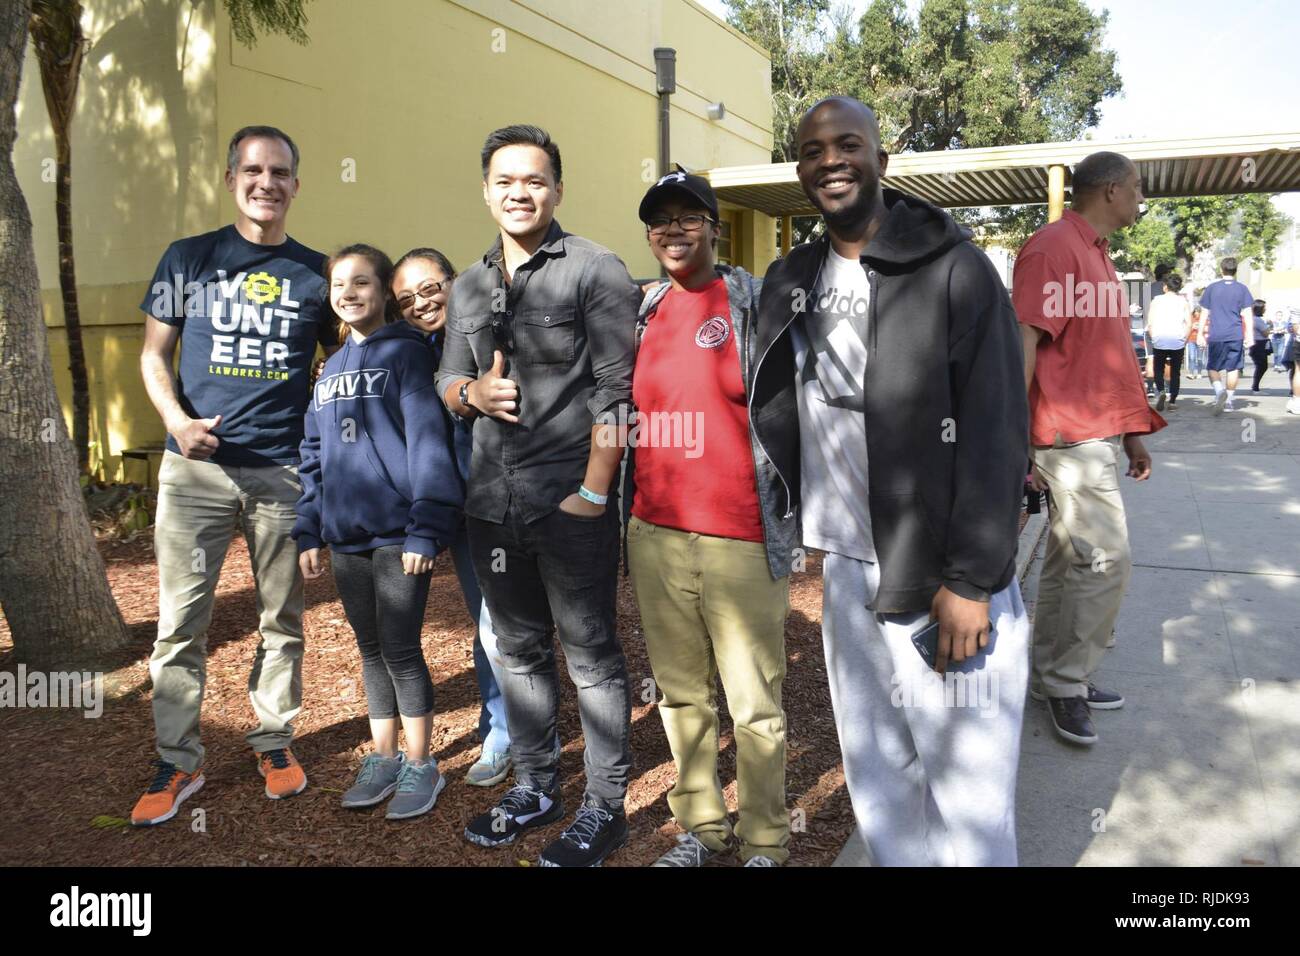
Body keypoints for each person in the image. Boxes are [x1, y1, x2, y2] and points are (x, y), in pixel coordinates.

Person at [753, 97, 1030, 866]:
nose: (830, 161)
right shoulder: (793, 277)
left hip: (943, 570)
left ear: (882, 158)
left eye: (848, 145)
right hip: (846, 567)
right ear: (800, 169)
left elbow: (998, 429)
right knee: (879, 780)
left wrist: (973, 580)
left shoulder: (956, 269)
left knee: (969, 796)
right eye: (812, 150)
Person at [435, 125, 640, 867]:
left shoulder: (597, 271)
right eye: (505, 180)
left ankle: (605, 807)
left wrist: (593, 493)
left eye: (535, 180)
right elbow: (446, 382)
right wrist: (472, 392)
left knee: (591, 657)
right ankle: (537, 786)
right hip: (491, 504)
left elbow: (619, 396)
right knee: (517, 652)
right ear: (486, 189)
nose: (519, 192)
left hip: (569, 502)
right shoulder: (468, 284)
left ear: (557, 188)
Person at [133, 126, 332, 826]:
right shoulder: (190, 258)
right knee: (182, 622)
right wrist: (178, 422)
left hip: (281, 475)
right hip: (196, 473)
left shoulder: (316, 272)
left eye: (280, 171)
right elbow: (154, 356)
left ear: (296, 185)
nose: (266, 182)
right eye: (252, 170)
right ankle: (178, 761)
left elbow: (346, 361)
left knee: (283, 619)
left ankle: (274, 739)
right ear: (230, 179)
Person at [624, 169, 798, 868]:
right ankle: (701, 828)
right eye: (659, 218)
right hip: (655, 531)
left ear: (714, 226)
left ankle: (764, 840)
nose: (672, 229)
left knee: (755, 704)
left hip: (741, 532)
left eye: (687, 215)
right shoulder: (643, 309)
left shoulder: (755, 301)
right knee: (681, 697)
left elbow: (799, 400)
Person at [293, 244, 462, 818]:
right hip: (345, 538)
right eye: (339, 283)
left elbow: (428, 444)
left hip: (398, 534)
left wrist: (425, 528)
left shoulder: (407, 355)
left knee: (400, 648)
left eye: (362, 281)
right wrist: (308, 530)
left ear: (383, 291)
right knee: (369, 650)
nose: (349, 292)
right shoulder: (331, 367)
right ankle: (383, 756)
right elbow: (313, 453)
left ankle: (421, 765)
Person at [1017, 150, 1166, 747]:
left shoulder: (1097, 254)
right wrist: (1012, 439)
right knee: (1107, 561)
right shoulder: (1055, 248)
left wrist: (1131, 431)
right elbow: (1023, 341)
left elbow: (1107, 354)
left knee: (1068, 561)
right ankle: (1065, 683)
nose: (1140, 199)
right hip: (1062, 435)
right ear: (1109, 190)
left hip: (1091, 432)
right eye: (1136, 189)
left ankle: (1052, 677)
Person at [392, 248, 513, 787]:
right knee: (486, 625)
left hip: (499, 503)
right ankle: (504, 724)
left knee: (500, 628)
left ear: (453, 283)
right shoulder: (411, 354)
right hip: (454, 512)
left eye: (430, 288)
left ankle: (511, 735)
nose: (421, 303)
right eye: (406, 300)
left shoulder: (482, 335)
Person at [1199, 257, 1255, 414]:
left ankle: (1219, 392)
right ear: (1235, 270)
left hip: (1216, 334)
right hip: (1235, 334)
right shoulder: (1242, 289)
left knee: (1212, 367)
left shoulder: (1212, 288)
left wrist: (1200, 333)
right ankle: (1229, 401)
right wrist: (1249, 335)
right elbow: (1247, 314)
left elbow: (1204, 312)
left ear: (1221, 269)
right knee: (1233, 368)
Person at [1146, 272, 1192, 410]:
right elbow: (1189, 324)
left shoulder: (1156, 300)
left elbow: (1150, 322)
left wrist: (1153, 336)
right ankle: (1172, 401)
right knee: (1175, 372)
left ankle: (1161, 391)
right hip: (1177, 339)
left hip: (1160, 338)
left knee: (1158, 369)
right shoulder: (1183, 302)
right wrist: (1184, 339)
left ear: (1165, 287)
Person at [1249, 299, 1271, 392]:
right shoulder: (1257, 320)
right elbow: (1265, 333)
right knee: (1262, 366)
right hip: (1259, 345)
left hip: (1257, 344)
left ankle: (1255, 386)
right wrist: (1270, 325)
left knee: (1261, 366)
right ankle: (1255, 387)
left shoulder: (1254, 319)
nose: (1265, 309)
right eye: (1264, 307)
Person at [1185, 307, 1205, 379]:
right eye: (1195, 312)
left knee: (1199, 358)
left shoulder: (1203, 319)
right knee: (1192, 357)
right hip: (1191, 340)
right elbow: (1187, 328)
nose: (1197, 314)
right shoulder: (1191, 319)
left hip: (1200, 340)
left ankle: (1199, 372)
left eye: (1198, 312)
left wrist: (1201, 328)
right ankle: (1191, 373)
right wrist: (1192, 327)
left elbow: (1207, 329)